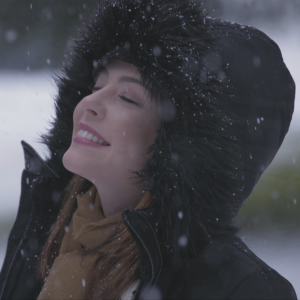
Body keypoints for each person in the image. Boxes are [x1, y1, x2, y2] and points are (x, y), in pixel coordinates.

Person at [0, 0, 297, 299]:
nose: (89, 104)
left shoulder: (242, 291)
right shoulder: (46, 231)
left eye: (127, 98)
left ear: (182, 146)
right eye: (96, 86)